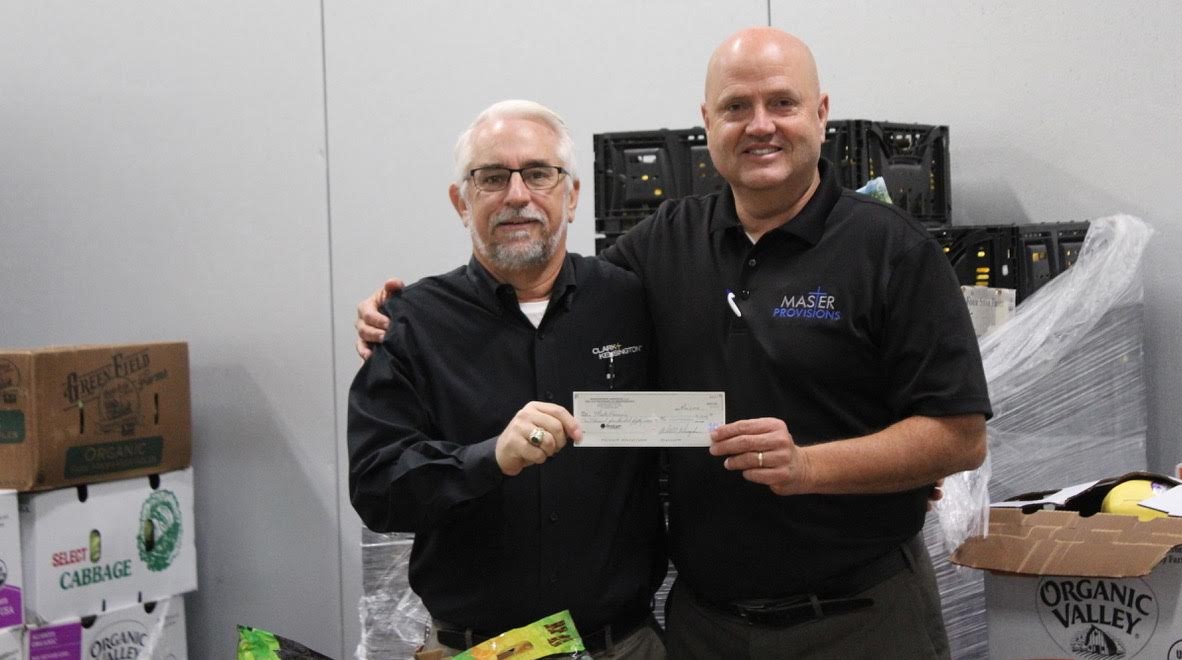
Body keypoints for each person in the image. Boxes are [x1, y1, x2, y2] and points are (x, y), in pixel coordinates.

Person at [356, 28, 990, 660]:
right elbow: (538, 280)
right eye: (736, 107)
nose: (759, 125)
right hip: (705, 627)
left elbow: (960, 435)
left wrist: (812, 465)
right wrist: (401, 316)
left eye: (782, 103)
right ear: (707, 121)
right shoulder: (661, 248)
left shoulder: (893, 251)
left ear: (822, 115)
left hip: (858, 620)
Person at [348, 100, 667, 659]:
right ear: (460, 201)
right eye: (492, 177)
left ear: (571, 194)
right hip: (475, 650)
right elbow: (377, 488)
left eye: (539, 174)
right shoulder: (410, 323)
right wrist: (489, 458)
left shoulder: (633, 301)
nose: (517, 195)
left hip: (620, 645)